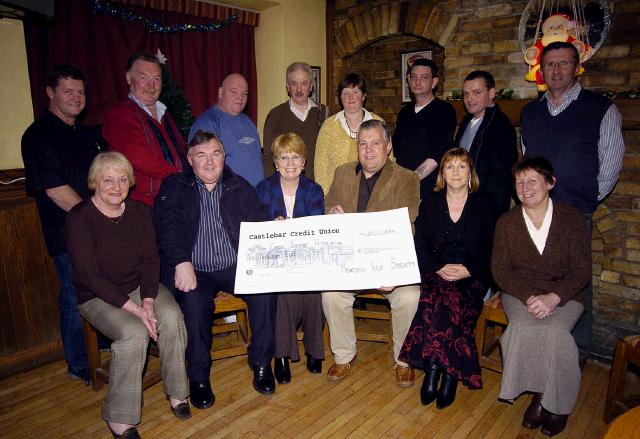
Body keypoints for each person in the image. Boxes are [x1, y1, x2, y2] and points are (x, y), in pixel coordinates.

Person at [65, 152, 190, 438]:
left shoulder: (139, 212)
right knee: (134, 333)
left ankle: (177, 392)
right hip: (96, 296)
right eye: (107, 180)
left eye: (122, 179)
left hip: (139, 286)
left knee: (171, 317)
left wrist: (147, 300)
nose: (115, 186)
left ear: (130, 182)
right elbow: (90, 276)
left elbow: (150, 260)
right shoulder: (79, 218)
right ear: (94, 182)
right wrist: (136, 310)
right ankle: (119, 417)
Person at [520, 41, 624, 365]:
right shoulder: (531, 113)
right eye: (549, 65)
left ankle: (576, 355)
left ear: (577, 67)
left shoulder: (601, 109)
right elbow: (525, 160)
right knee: (537, 278)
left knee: (576, 283)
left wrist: (587, 199)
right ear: (542, 70)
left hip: (576, 212)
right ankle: (541, 349)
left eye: (563, 63)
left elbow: (611, 163)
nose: (556, 70)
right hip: (536, 214)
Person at [154, 130, 276, 405]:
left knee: (265, 293)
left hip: (235, 265)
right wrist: (181, 261)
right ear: (189, 159)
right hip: (195, 269)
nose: (210, 162)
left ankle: (261, 364)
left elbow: (259, 225)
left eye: (216, 154)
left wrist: (270, 239)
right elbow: (167, 226)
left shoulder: (240, 186)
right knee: (194, 306)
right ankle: (198, 377)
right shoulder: (175, 187)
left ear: (224, 156)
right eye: (201, 155)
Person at [491, 156, 591, 437]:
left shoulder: (571, 219)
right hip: (519, 292)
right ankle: (541, 395)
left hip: (566, 293)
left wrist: (553, 297)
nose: (525, 187)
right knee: (521, 327)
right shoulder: (507, 222)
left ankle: (555, 405)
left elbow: (582, 270)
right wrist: (527, 296)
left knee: (556, 331)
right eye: (519, 182)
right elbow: (500, 270)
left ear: (550, 183)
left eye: (532, 180)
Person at [21, 64, 106, 384]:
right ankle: (78, 362)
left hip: (99, 230)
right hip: (67, 233)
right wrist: (98, 221)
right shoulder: (38, 135)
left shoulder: (88, 135)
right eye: (68, 91)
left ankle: (100, 348)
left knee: (101, 289)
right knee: (74, 295)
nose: (76, 97)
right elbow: (56, 191)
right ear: (50, 93)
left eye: (81, 92)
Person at [322, 119, 420, 386]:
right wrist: (331, 213)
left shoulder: (407, 178)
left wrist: (392, 271)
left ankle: (403, 360)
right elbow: (329, 204)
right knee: (331, 294)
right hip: (350, 264)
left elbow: (407, 226)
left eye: (375, 143)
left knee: (410, 296)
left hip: (389, 265)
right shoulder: (342, 173)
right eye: (362, 144)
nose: (368, 150)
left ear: (387, 147)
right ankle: (344, 356)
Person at [400, 148, 496, 410]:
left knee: (451, 300)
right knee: (436, 300)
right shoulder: (431, 202)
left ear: (470, 173)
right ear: (442, 173)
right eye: (450, 166)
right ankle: (437, 370)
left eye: (461, 166)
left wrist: (468, 269)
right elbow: (420, 245)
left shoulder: (485, 203)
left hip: (471, 275)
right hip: (437, 271)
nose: (455, 171)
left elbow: (492, 248)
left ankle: (446, 374)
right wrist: (439, 267)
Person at [255, 133, 325, 384]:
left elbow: (316, 228)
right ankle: (282, 355)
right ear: (275, 162)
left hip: (307, 258)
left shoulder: (314, 190)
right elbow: (256, 231)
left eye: (296, 157)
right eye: (284, 157)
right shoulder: (263, 189)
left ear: (304, 162)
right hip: (275, 261)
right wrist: (272, 229)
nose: (290, 163)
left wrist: (291, 228)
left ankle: (314, 349)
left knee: (315, 289)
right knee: (283, 290)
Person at [102, 51, 188, 206]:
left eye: (156, 79)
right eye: (144, 78)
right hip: (145, 206)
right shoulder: (120, 113)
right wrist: (179, 175)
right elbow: (137, 156)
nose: (151, 85)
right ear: (129, 78)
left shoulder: (165, 113)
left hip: (176, 199)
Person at [454, 70, 518, 215]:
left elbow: (502, 175)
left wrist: (487, 208)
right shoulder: (465, 122)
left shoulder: (501, 124)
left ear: (491, 93)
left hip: (486, 206)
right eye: (466, 94)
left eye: (477, 92)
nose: (469, 98)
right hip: (462, 201)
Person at [393, 58, 456, 198]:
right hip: (402, 191)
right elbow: (396, 152)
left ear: (434, 82)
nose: (417, 81)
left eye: (424, 77)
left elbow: (437, 154)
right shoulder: (404, 113)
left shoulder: (444, 111)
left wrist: (411, 180)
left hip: (431, 193)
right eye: (413, 77)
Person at [189, 73, 264, 187]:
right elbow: (203, 171)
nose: (240, 97)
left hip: (255, 199)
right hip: (229, 200)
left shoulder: (248, 122)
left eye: (244, 93)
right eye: (234, 91)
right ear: (220, 92)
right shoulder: (207, 124)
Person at [314, 73, 383, 194]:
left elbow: (388, 162)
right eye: (346, 93)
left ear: (364, 96)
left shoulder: (379, 123)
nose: (351, 98)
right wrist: (328, 199)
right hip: (337, 197)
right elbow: (320, 168)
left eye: (355, 92)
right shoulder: (329, 126)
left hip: (373, 194)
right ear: (340, 97)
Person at [262, 62, 329, 179]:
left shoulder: (324, 114)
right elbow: (269, 157)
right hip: (286, 187)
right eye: (294, 84)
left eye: (304, 83)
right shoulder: (275, 115)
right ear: (288, 87)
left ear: (311, 86)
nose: (299, 89)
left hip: (318, 187)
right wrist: (275, 188)